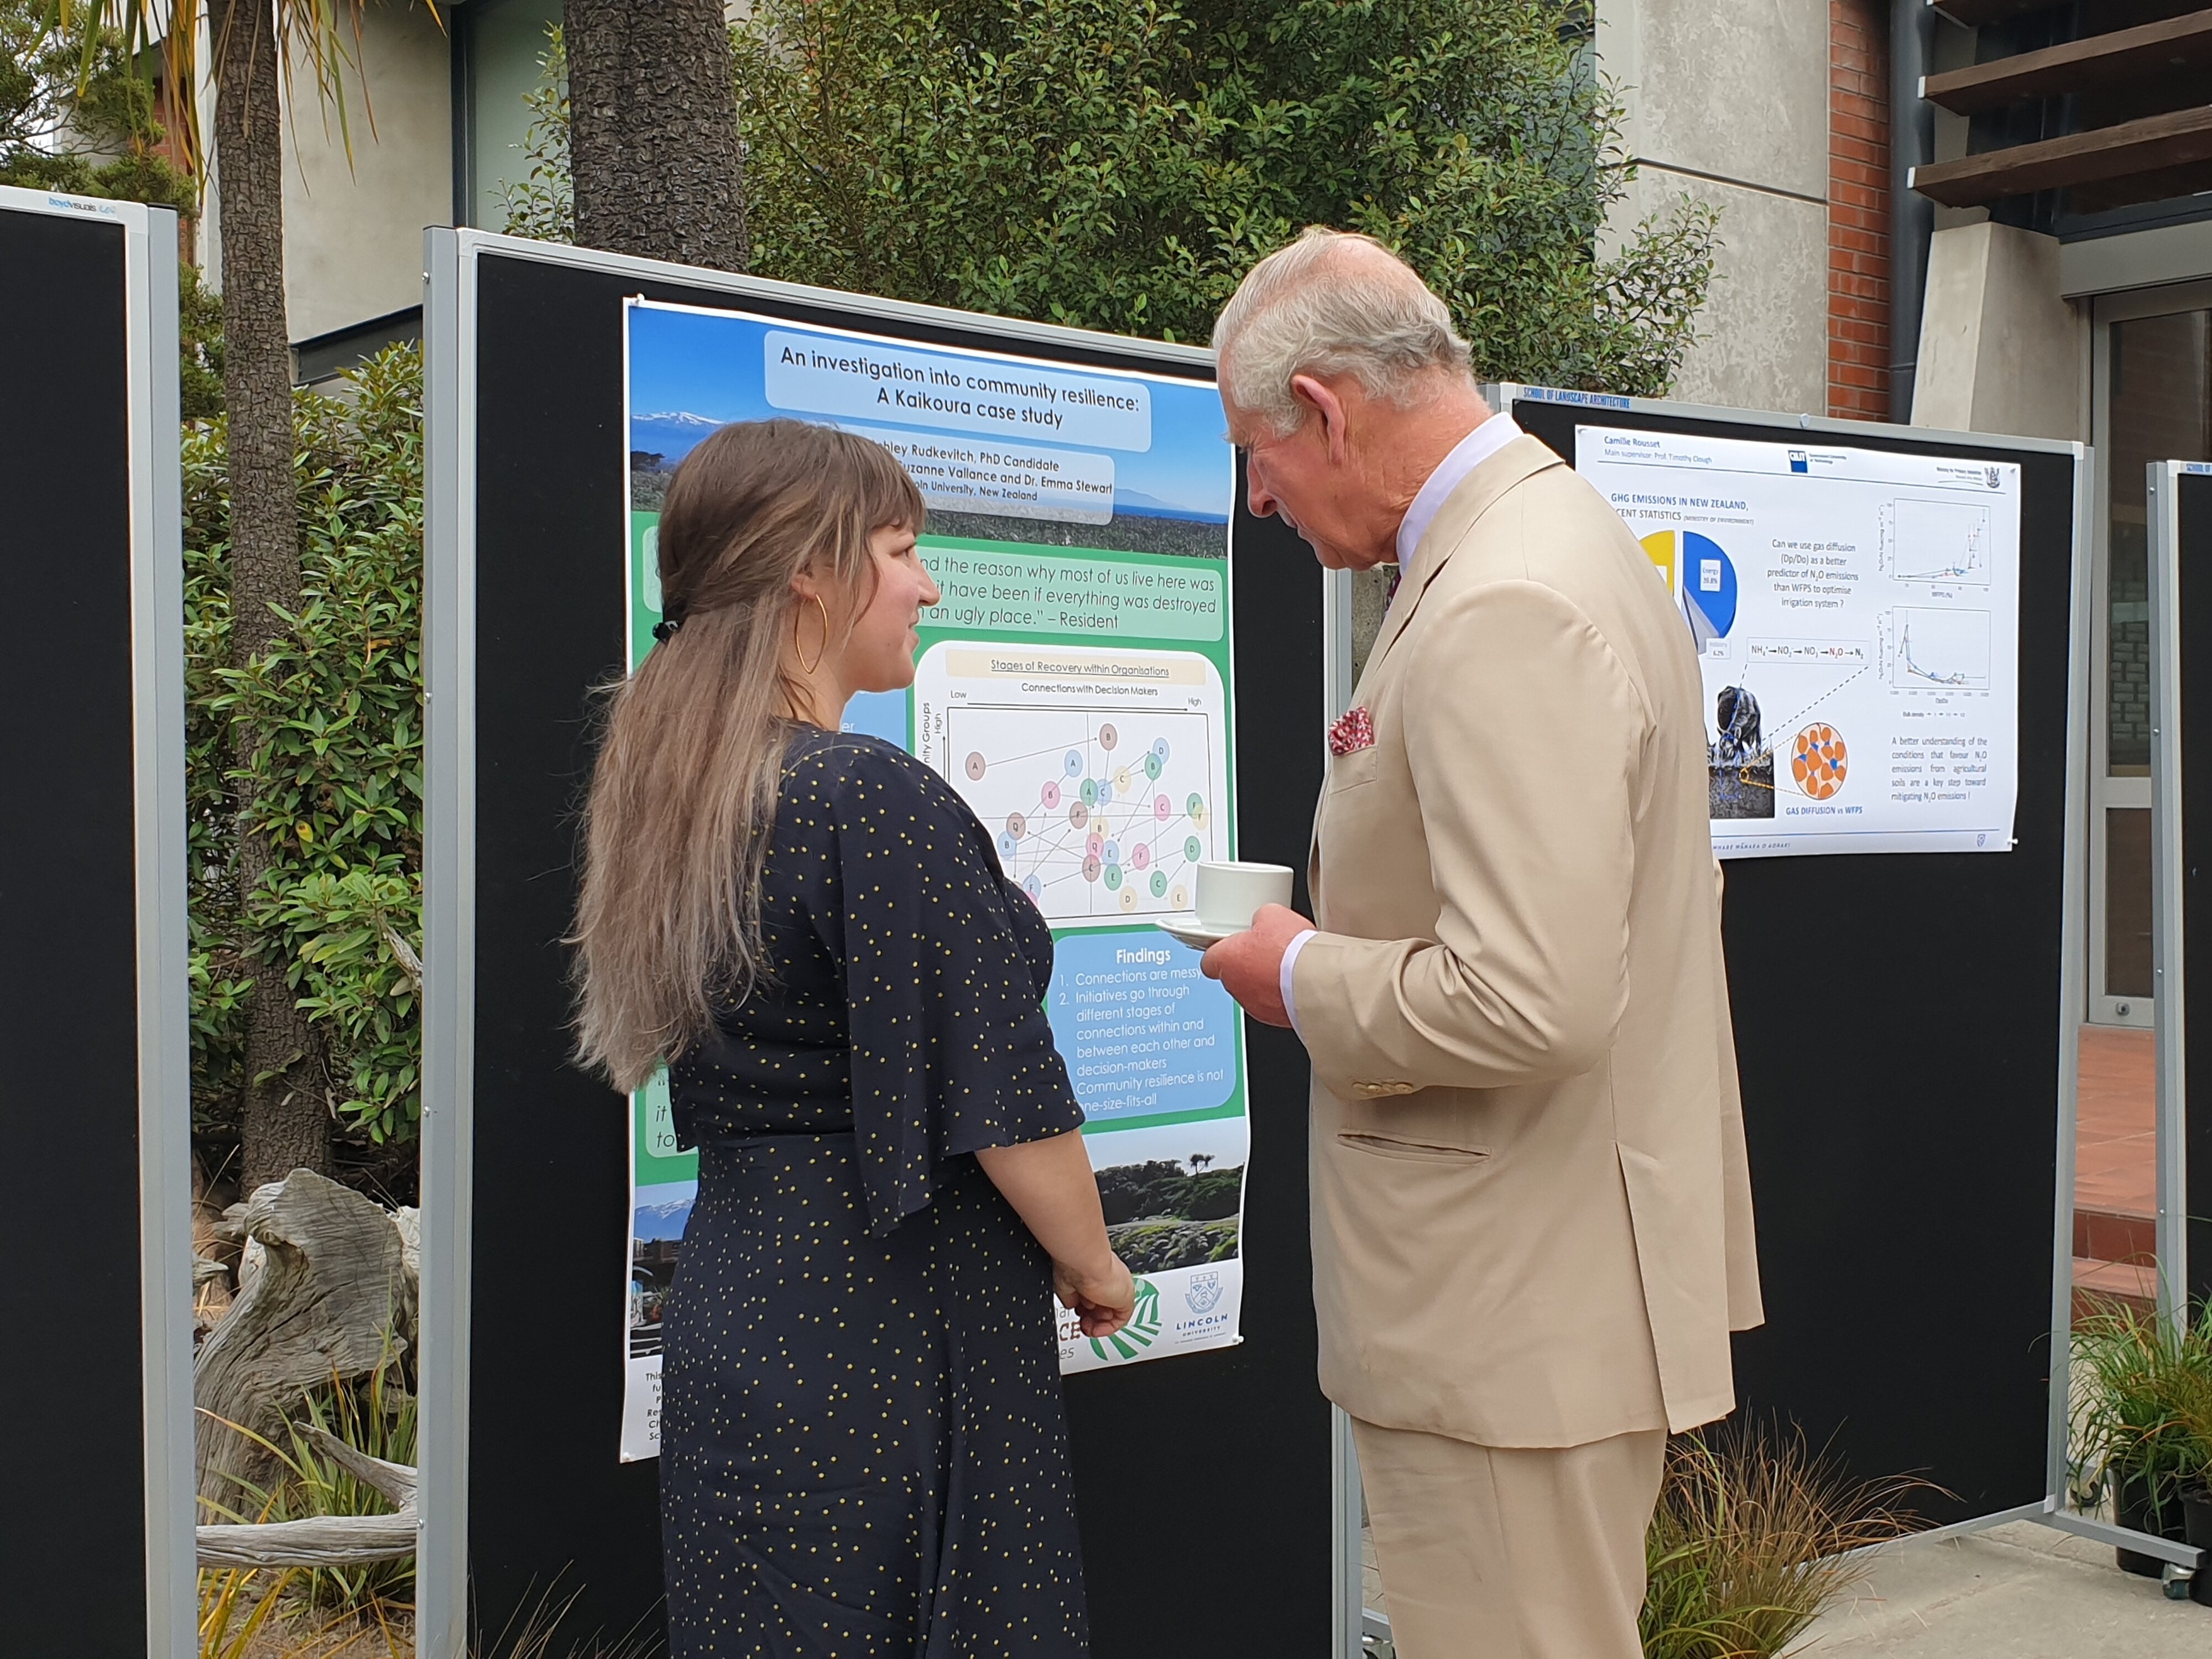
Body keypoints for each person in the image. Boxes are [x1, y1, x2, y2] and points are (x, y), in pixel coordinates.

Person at [1200, 229, 1762, 1659]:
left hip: (1508, 1314)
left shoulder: (1503, 595)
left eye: (1257, 454)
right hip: (1541, 1291)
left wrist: (1298, 975)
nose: (1257, 497)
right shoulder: (1549, 542)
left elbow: (1531, 997)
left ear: (1324, 409)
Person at [570, 419, 1134, 1657]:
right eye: (900, 549)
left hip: (744, 1302)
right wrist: (1096, 1266)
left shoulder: (679, 789)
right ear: (808, 575)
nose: (927, 584)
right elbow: (1004, 1098)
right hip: (892, 1315)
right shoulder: (863, 793)